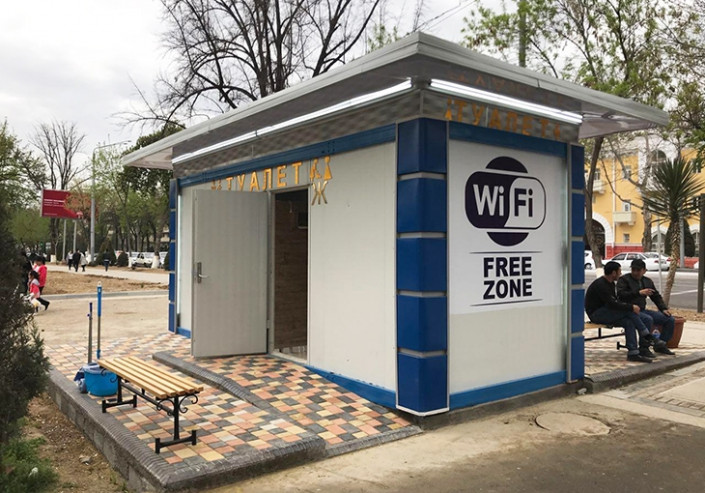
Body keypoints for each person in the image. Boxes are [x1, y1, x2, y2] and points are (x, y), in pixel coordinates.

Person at [585, 261, 662, 363]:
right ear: (613, 273)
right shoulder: (601, 284)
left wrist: (628, 307)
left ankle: (633, 353)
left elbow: (615, 302)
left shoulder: (610, 283)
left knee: (628, 322)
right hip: (596, 314)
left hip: (607, 312)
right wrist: (631, 307)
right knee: (629, 312)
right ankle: (647, 335)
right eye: (619, 271)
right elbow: (612, 304)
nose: (620, 274)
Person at [617, 258, 676, 355]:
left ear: (644, 271)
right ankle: (644, 347)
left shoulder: (647, 281)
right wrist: (638, 293)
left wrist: (663, 308)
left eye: (638, 270)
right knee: (647, 319)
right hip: (630, 311)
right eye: (633, 270)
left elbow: (655, 296)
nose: (635, 273)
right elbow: (621, 295)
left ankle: (661, 345)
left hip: (642, 310)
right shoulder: (624, 280)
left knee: (669, 319)